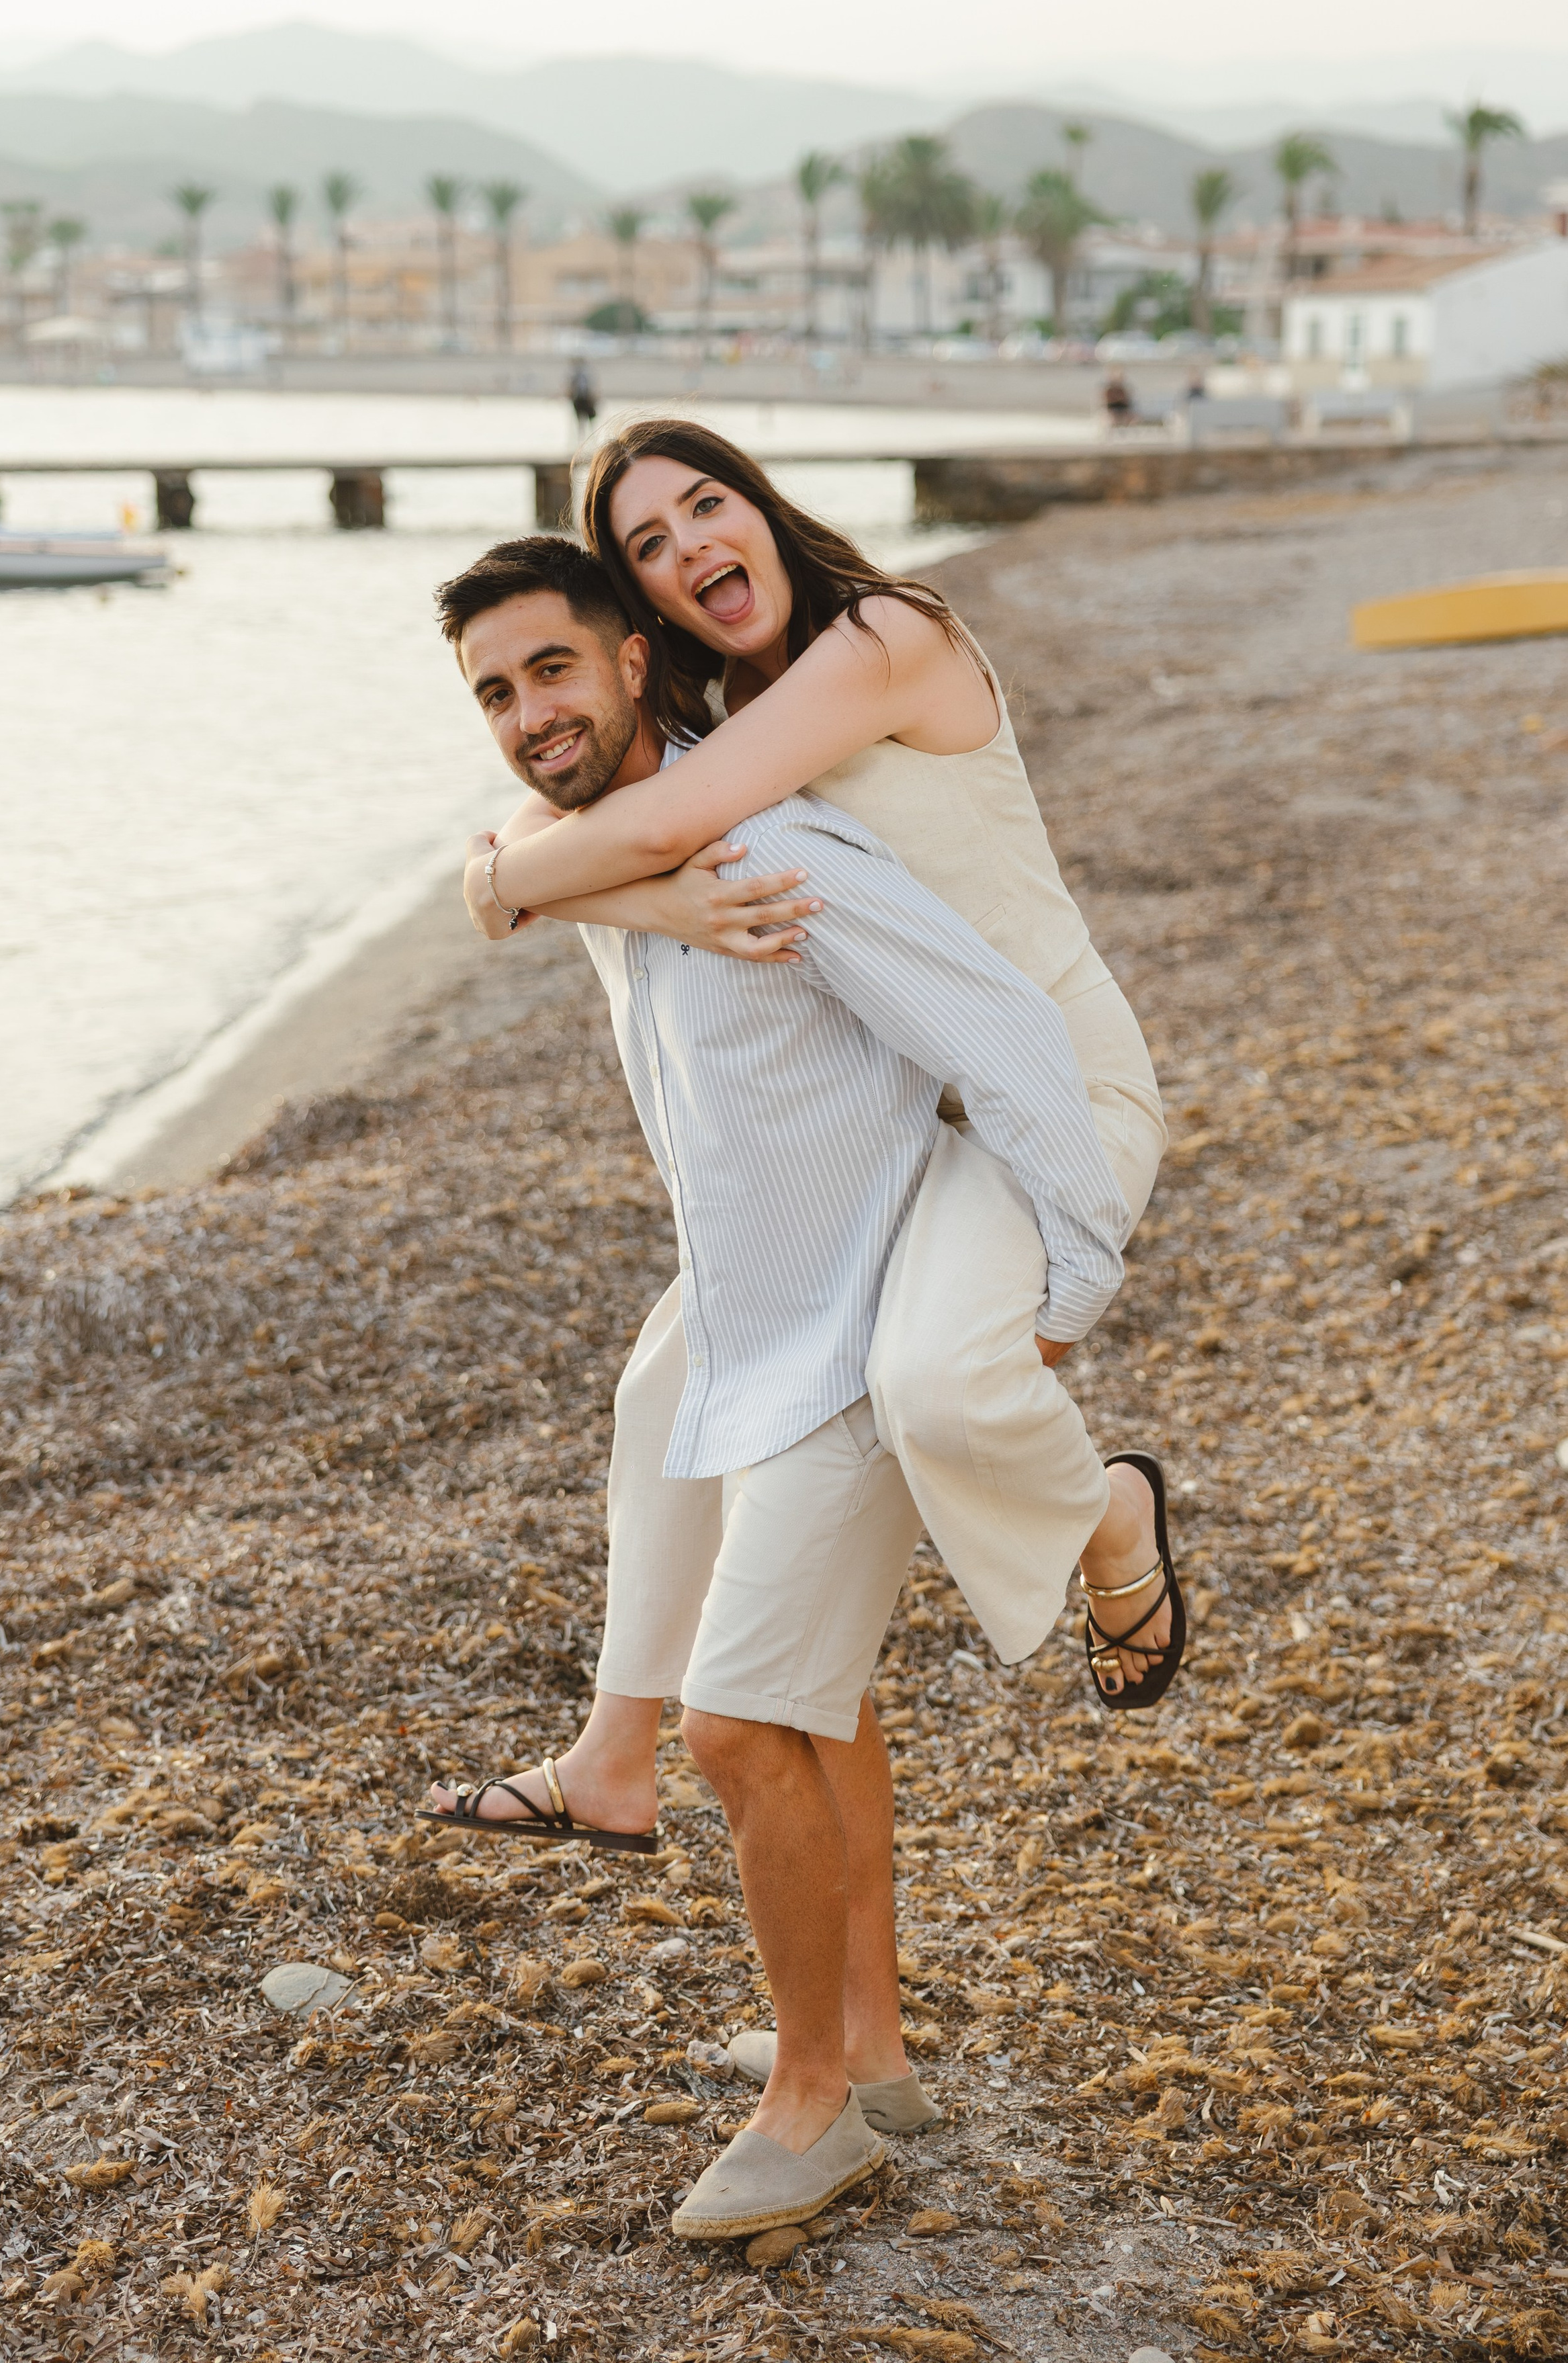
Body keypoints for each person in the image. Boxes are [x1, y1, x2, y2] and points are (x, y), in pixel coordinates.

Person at [429, 537, 1145, 2238]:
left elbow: (1003, 1033)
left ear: (629, 656)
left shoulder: (780, 847)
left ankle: (811, 2104)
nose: (530, 715)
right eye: (493, 692)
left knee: (741, 1722)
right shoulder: (631, 849)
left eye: (552, 670)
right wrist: (634, 891)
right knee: (815, 1702)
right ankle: (870, 2053)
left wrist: (1064, 1284)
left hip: (853, 1340)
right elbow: (510, 861)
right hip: (756, 1328)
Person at [453, 420, 1175, 1766]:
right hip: (911, 1113)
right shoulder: (725, 718)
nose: (691, 551)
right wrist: (532, 880)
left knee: (933, 1391)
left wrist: (503, 890)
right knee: (669, 1379)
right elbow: (542, 831)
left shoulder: (886, 638)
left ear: (762, 504)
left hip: (1052, 1083)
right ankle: (613, 1756)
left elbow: (626, 832)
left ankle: (1110, 1517)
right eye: (647, 548)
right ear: (641, 604)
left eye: (706, 506)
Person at [568, 359, 597, 432]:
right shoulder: (575, 376)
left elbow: (593, 388)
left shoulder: (587, 376)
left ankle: (590, 434)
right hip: (578, 399)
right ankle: (582, 435)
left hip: (586, 399)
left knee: (589, 418)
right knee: (580, 419)